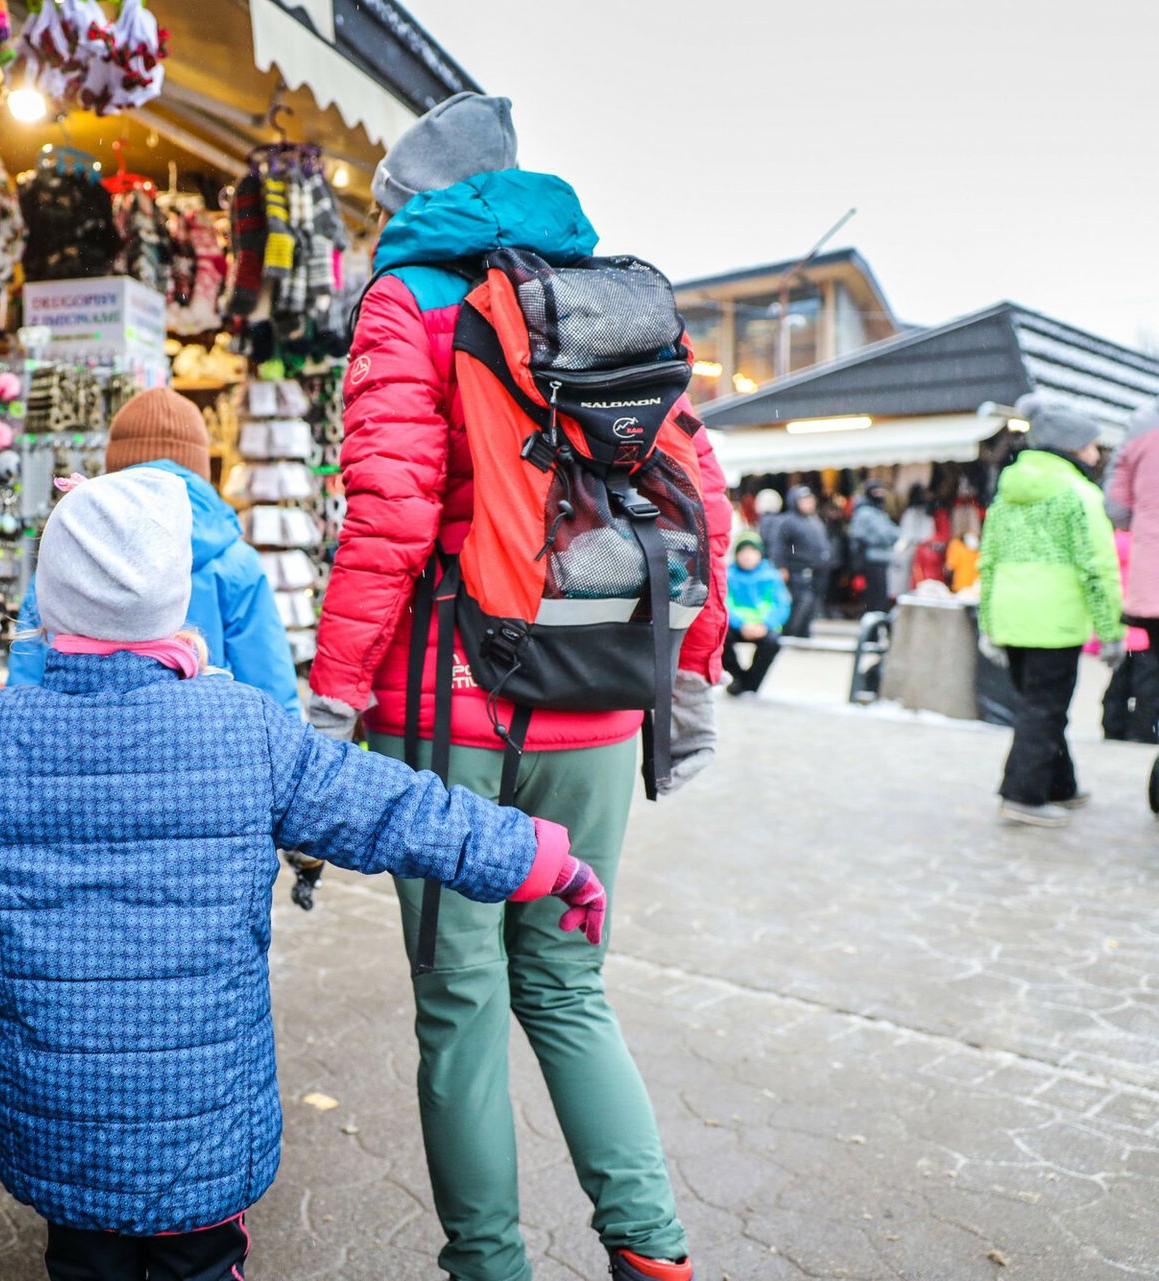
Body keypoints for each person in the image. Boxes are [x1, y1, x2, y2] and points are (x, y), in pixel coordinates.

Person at [0, 468, 609, 1281]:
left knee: (87, 1259)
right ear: (171, 597)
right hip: (207, 1131)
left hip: (59, 1130)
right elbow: (402, 814)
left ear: (49, 597)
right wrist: (544, 858)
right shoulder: (249, 734)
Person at [303, 92, 729, 1281]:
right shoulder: (605, 298)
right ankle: (652, 1251)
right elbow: (702, 501)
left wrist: (332, 698)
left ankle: (488, 1266)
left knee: (461, 999)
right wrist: (685, 688)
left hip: (453, 705)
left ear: (404, 204)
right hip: (597, 698)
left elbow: (388, 518)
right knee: (570, 983)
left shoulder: (410, 301)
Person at [9, 387, 300, 716]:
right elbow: (271, 687)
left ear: (114, 468)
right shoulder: (234, 563)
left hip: (71, 742)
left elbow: (26, 679)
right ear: (200, 470)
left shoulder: (71, 551)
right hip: (206, 747)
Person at [978, 396, 1123, 827]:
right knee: (1045, 708)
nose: (1096, 454)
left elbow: (988, 560)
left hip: (1010, 614)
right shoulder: (1080, 495)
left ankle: (1061, 784)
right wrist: (1110, 630)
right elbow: (1097, 567)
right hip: (1055, 619)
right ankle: (1021, 794)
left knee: (1037, 706)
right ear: (1072, 446)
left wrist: (988, 623)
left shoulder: (1007, 493)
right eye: (1092, 446)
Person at [1105, 397, 1159, 744]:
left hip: (1150, 578)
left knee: (1149, 663)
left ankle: (1144, 733)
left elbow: (1115, 507)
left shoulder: (1141, 428)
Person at [1098, 530, 1155, 743]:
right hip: (1145, 627)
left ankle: (1113, 728)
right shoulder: (1149, 545)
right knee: (1148, 687)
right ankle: (1143, 732)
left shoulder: (1113, 541)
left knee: (1118, 684)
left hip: (1122, 626)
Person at [723, 531, 789, 695]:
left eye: (752, 552)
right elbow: (724, 603)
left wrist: (765, 625)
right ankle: (737, 677)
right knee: (719, 639)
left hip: (764, 626)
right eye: (743, 552)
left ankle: (749, 684)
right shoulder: (728, 575)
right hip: (736, 625)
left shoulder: (771, 576)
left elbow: (782, 605)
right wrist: (740, 624)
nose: (747, 556)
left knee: (772, 644)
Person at [773, 485, 831, 638]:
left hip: (817, 571)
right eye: (804, 500)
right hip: (797, 569)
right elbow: (778, 545)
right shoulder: (787, 521)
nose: (808, 503)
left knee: (811, 604)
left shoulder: (814, 520)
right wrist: (780, 566)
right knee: (801, 602)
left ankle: (803, 632)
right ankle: (791, 633)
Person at [849, 478, 900, 614]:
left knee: (880, 594)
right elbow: (882, 534)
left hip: (882, 558)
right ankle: (871, 619)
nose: (880, 495)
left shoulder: (878, 512)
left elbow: (894, 532)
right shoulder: (864, 512)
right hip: (871, 559)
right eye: (877, 492)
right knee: (874, 594)